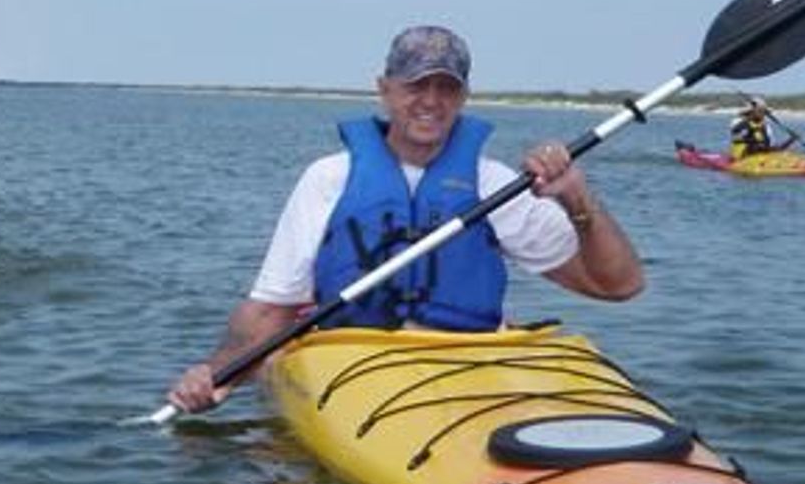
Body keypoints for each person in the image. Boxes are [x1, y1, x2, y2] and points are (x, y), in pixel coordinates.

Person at [167, 25, 646, 414]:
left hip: (467, 363)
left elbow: (618, 286)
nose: (431, 100)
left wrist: (579, 201)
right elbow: (270, 309)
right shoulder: (328, 179)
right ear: (385, 88)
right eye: (417, 84)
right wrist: (217, 374)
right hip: (351, 360)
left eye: (447, 87)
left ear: (464, 96)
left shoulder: (497, 184)